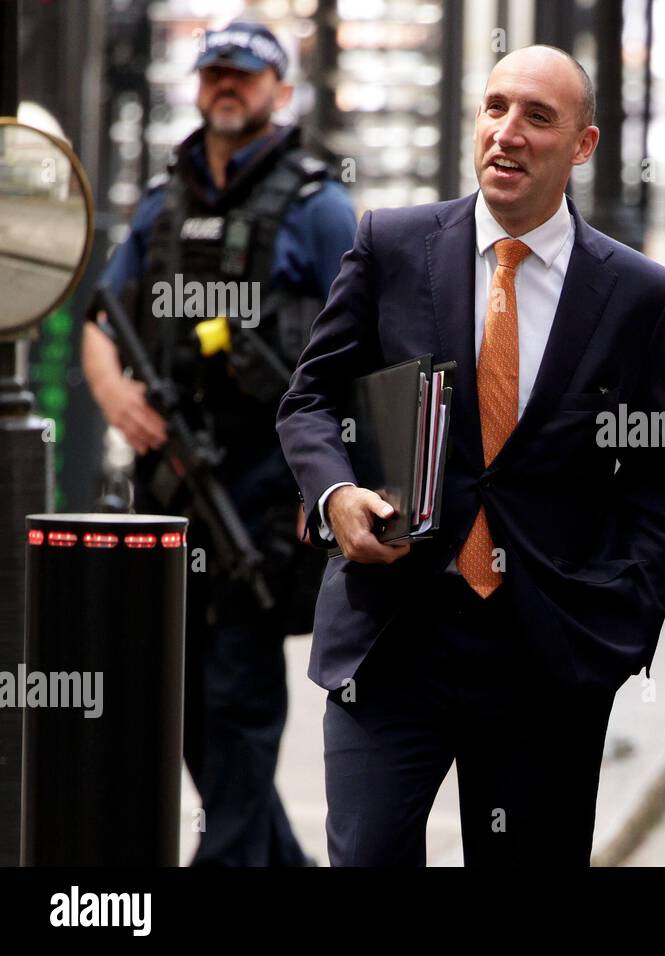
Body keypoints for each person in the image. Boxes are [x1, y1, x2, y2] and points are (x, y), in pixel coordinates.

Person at [276, 44, 665, 867]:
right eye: (495, 108)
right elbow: (310, 399)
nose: (508, 132)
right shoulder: (391, 246)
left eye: (538, 117)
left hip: (546, 659)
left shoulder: (641, 295)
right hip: (391, 640)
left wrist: (615, 637)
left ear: (582, 145)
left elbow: (654, 486)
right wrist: (335, 495)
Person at [81, 21, 357, 866]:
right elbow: (102, 314)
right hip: (169, 487)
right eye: (214, 73)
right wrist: (113, 392)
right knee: (178, 698)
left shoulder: (317, 204)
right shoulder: (165, 202)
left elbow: (360, 342)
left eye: (245, 74)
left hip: (262, 495)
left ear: (280, 89)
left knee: (235, 695)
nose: (226, 86)